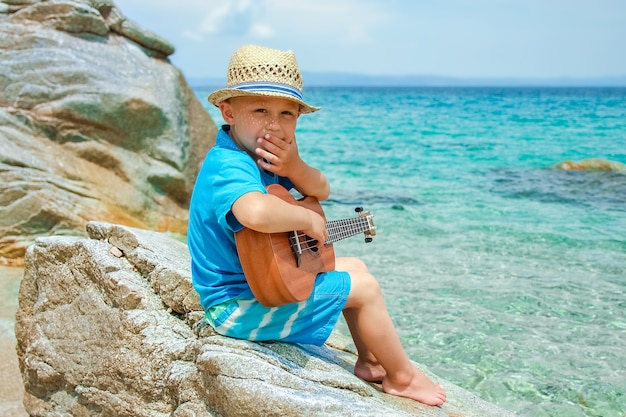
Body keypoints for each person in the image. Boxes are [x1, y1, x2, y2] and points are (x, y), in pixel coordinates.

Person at [187, 44, 446, 406]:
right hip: (236, 310)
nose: (274, 124)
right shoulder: (227, 164)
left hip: (259, 289)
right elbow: (255, 212)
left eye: (287, 114)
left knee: (356, 267)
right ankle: (402, 379)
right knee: (365, 289)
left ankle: (370, 360)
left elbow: (322, 188)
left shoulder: (262, 159)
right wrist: (304, 218)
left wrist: (294, 166)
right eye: (260, 110)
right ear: (228, 111)